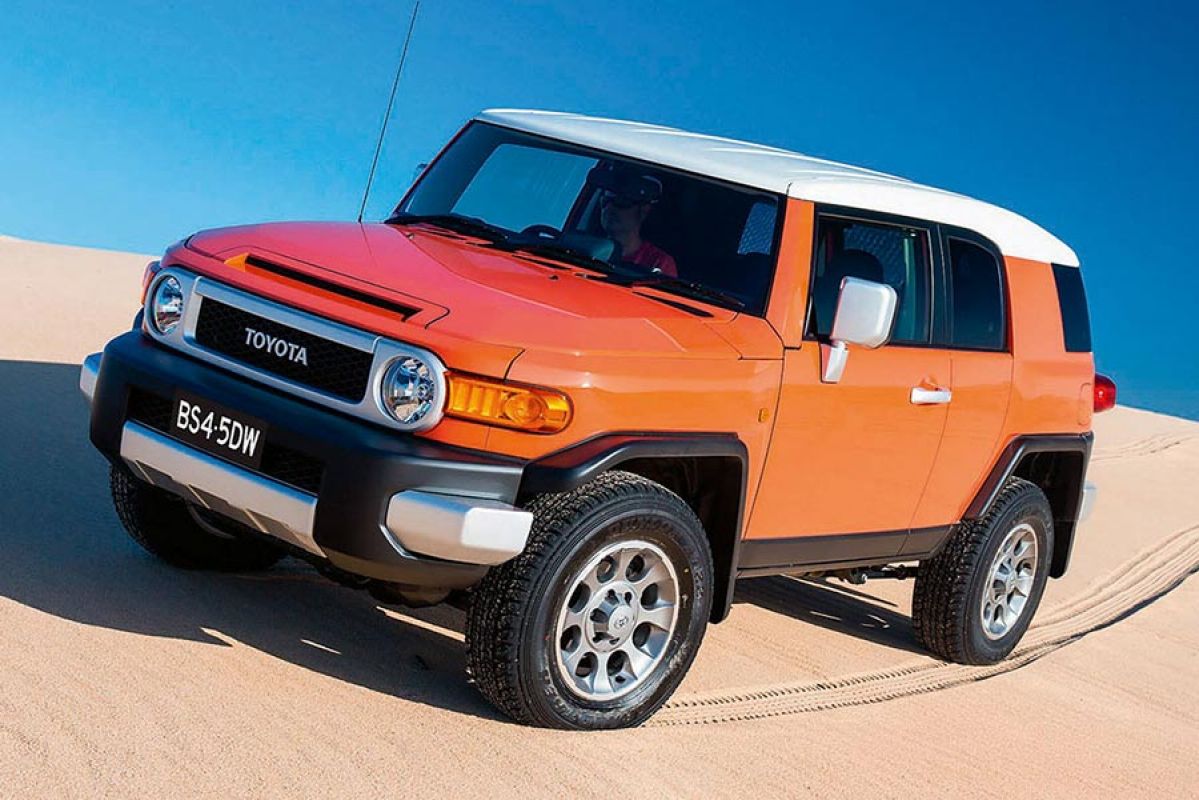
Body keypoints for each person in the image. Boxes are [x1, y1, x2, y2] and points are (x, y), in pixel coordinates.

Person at [597, 169, 678, 277]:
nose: (610, 208)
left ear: (644, 211)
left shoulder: (659, 262)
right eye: (605, 201)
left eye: (622, 202)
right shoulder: (581, 250)